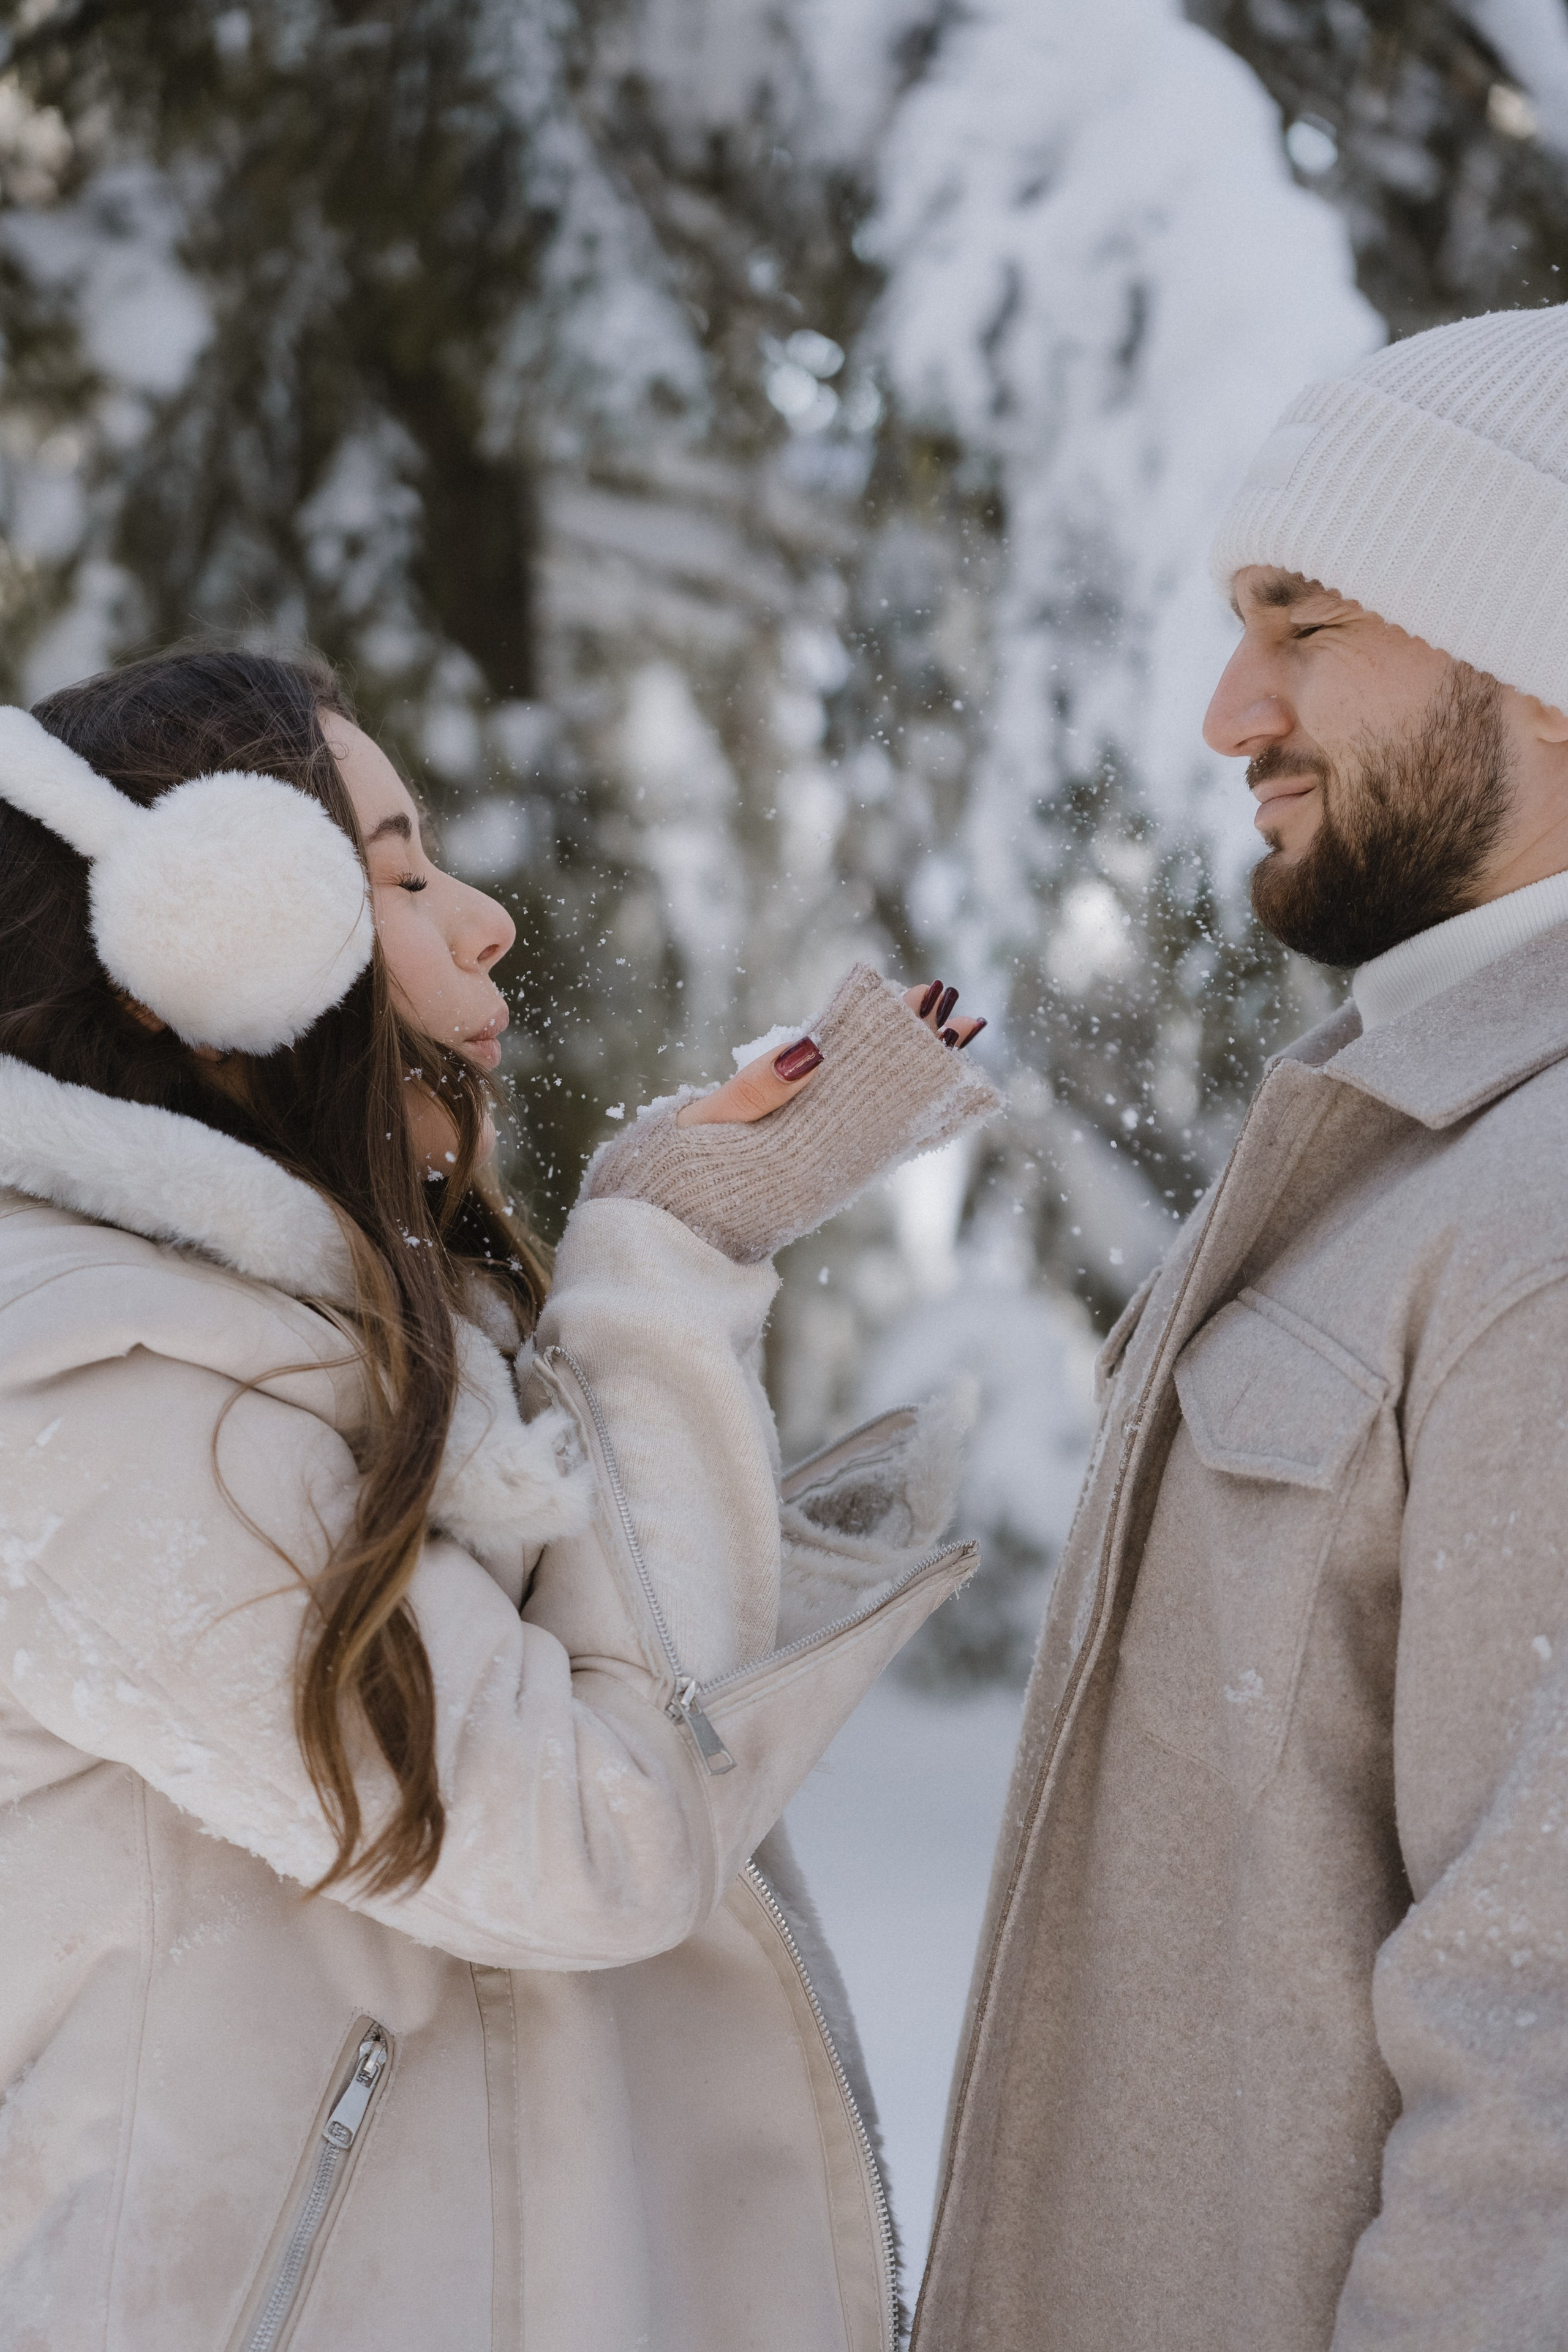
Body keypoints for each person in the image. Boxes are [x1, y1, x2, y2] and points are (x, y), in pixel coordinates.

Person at [0, 644, 998, 2352]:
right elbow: (597, 1836)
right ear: (199, 952)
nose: (485, 922)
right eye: (395, 874)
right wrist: (667, 1257)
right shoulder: (97, 1395)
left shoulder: (338, 1358)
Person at [916, 303, 1568, 2352]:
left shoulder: (1542, 1212)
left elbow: (1542, 2060)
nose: (1227, 709)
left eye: (1303, 623)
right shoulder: (1416, 1144)